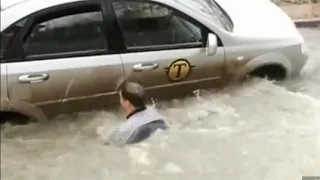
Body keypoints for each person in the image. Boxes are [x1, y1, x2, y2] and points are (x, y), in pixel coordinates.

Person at [104, 81, 167, 147]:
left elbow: (107, 147)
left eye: (121, 98)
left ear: (127, 103)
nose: (120, 100)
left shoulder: (123, 130)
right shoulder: (155, 113)